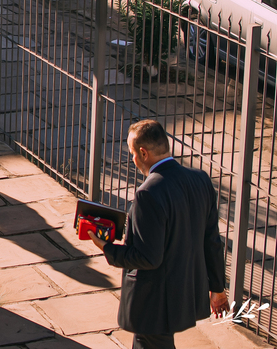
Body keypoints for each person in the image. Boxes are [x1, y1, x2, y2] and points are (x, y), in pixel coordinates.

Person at [92, 120, 229, 349]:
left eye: (132, 153)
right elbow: (212, 241)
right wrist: (218, 289)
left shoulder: (148, 193)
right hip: (185, 291)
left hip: (155, 302)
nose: (132, 159)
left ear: (143, 153)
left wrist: (107, 248)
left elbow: (148, 257)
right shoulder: (201, 180)